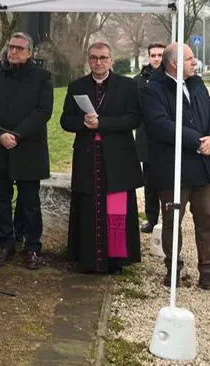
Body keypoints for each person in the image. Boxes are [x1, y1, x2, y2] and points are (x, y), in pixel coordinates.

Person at [139, 43, 210, 290]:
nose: (194, 62)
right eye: (190, 59)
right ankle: (173, 268)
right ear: (174, 64)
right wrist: (197, 141)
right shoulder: (153, 89)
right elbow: (160, 126)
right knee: (172, 222)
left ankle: (207, 271)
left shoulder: (197, 83)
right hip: (173, 168)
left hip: (203, 166)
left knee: (207, 219)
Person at [61, 42, 143, 274]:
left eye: (103, 58)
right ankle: (87, 258)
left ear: (112, 60)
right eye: (94, 58)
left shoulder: (127, 86)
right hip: (88, 158)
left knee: (116, 209)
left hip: (117, 158)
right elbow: (65, 120)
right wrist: (83, 123)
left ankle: (116, 261)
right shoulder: (77, 86)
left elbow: (133, 119)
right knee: (88, 207)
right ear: (88, 60)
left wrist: (102, 123)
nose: (99, 62)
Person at [0, 32, 53, 270]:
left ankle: (32, 246)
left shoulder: (42, 77)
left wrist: (17, 135)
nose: (13, 52)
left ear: (30, 53)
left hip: (28, 147)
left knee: (29, 201)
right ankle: (6, 243)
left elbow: (43, 111)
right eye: (11, 47)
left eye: (19, 48)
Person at [135, 43, 165, 233]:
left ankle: (170, 219)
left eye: (160, 55)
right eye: (153, 55)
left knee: (167, 182)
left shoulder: (172, 77)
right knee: (150, 182)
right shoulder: (139, 80)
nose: (156, 58)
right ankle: (152, 218)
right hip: (146, 136)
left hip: (165, 138)